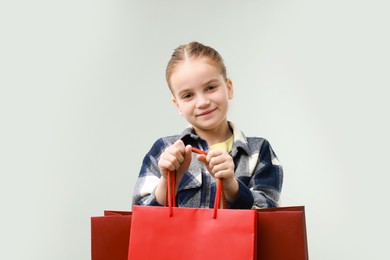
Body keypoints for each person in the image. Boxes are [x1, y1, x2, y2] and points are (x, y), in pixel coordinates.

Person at [132, 41, 283, 209]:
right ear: (178, 106)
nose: (202, 102)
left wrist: (232, 187)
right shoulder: (164, 151)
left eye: (210, 88)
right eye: (188, 95)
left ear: (229, 88)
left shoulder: (258, 151)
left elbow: (270, 215)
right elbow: (140, 218)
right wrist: (167, 182)